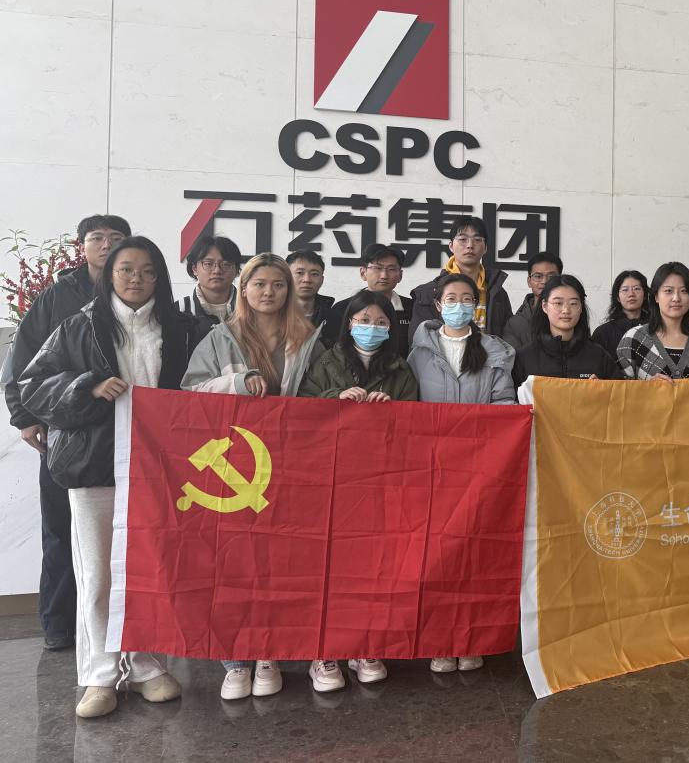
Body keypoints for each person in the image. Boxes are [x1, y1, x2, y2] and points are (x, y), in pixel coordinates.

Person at [19, 236, 198, 718]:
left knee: (150, 569)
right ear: (110, 275)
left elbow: (200, 388)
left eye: (147, 271)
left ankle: (146, 667)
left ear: (160, 278)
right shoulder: (79, 326)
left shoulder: (181, 329)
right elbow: (32, 385)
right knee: (98, 574)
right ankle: (100, 675)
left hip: (160, 469)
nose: (136, 279)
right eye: (126, 269)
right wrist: (87, 386)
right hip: (95, 465)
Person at [182, 254, 326, 698]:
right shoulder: (219, 338)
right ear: (243, 289)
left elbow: (326, 394)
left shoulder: (308, 338)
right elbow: (189, 394)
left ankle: (273, 650)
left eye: (278, 284)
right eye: (259, 283)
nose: (268, 292)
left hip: (296, 464)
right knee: (238, 563)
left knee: (287, 562)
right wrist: (237, 383)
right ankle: (238, 659)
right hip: (238, 465)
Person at [2, 213, 130, 653]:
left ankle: (122, 626)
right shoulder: (58, 297)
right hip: (68, 432)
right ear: (82, 246)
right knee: (60, 526)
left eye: (116, 238)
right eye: (98, 238)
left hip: (125, 435)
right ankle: (58, 622)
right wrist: (24, 416)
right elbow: (22, 361)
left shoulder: (135, 294)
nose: (106, 244)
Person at [298, 289, 418, 686]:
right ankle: (325, 652)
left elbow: (416, 424)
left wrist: (392, 409)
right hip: (332, 481)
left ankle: (366, 645)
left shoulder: (401, 369)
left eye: (380, 322)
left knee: (374, 567)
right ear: (349, 323)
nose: (371, 328)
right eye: (363, 321)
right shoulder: (326, 361)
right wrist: (336, 397)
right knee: (329, 567)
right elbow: (303, 411)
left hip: (382, 482)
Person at [407, 272, 516, 674]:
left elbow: (505, 404)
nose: (459, 305)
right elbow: (409, 405)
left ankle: (471, 638)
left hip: (479, 467)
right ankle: (440, 639)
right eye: (451, 298)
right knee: (436, 557)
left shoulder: (495, 351)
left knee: (475, 556)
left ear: (477, 305)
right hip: (432, 470)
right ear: (438, 305)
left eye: (466, 299)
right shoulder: (419, 351)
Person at [408, 216, 513, 341]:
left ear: (485, 248)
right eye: (463, 239)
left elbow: (507, 339)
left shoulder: (498, 293)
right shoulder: (428, 293)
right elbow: (420, 341)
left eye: (477, 239)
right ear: (451, 246)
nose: (470, 245)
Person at [617, 262, 689, 381]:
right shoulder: (633, 338)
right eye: (668, 291)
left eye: (684, 291)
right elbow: (619, 389)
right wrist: (647, 388)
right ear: (656, 296)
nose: (676, 298)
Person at [512, 275, 621, 383]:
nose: (566, 310)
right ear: (544, 306)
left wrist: (602, 389)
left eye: (573, 303)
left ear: (581, 307)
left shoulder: (598, 355)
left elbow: (620, 392)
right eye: (558, 303)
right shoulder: (525, 357)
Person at [323, 245, 415, 358]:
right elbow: (332, 350)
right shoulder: (342, 308)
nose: (384, 275)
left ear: (400, 275)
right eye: (377, 268)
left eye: (391, 269)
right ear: (363, 273)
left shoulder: (412, 308)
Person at [502, 251, 563, 351]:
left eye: (551, 277)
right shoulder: (516, 323)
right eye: (538, 276)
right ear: (529, 282)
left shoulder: (569, 315)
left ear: (560, 279)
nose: (545, 281)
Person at [179, 234, 243, 324]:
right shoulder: (178, 311)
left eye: (225, 264)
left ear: (237, 270)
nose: (217, 270)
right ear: (194, 269)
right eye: (208, 264)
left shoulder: (252, 309)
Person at [592, 270, 651, 359]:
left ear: (645, 295)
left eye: (636, 289)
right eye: (625, 290)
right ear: (618, 297)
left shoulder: (656, 329)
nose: (631, 294)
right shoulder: (603, 333)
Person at [287, 250, 335, 327]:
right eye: (299, 273)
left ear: (322, 280)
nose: (307, 280)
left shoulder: (334, 318)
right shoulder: (272, 314)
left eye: (314, 274)